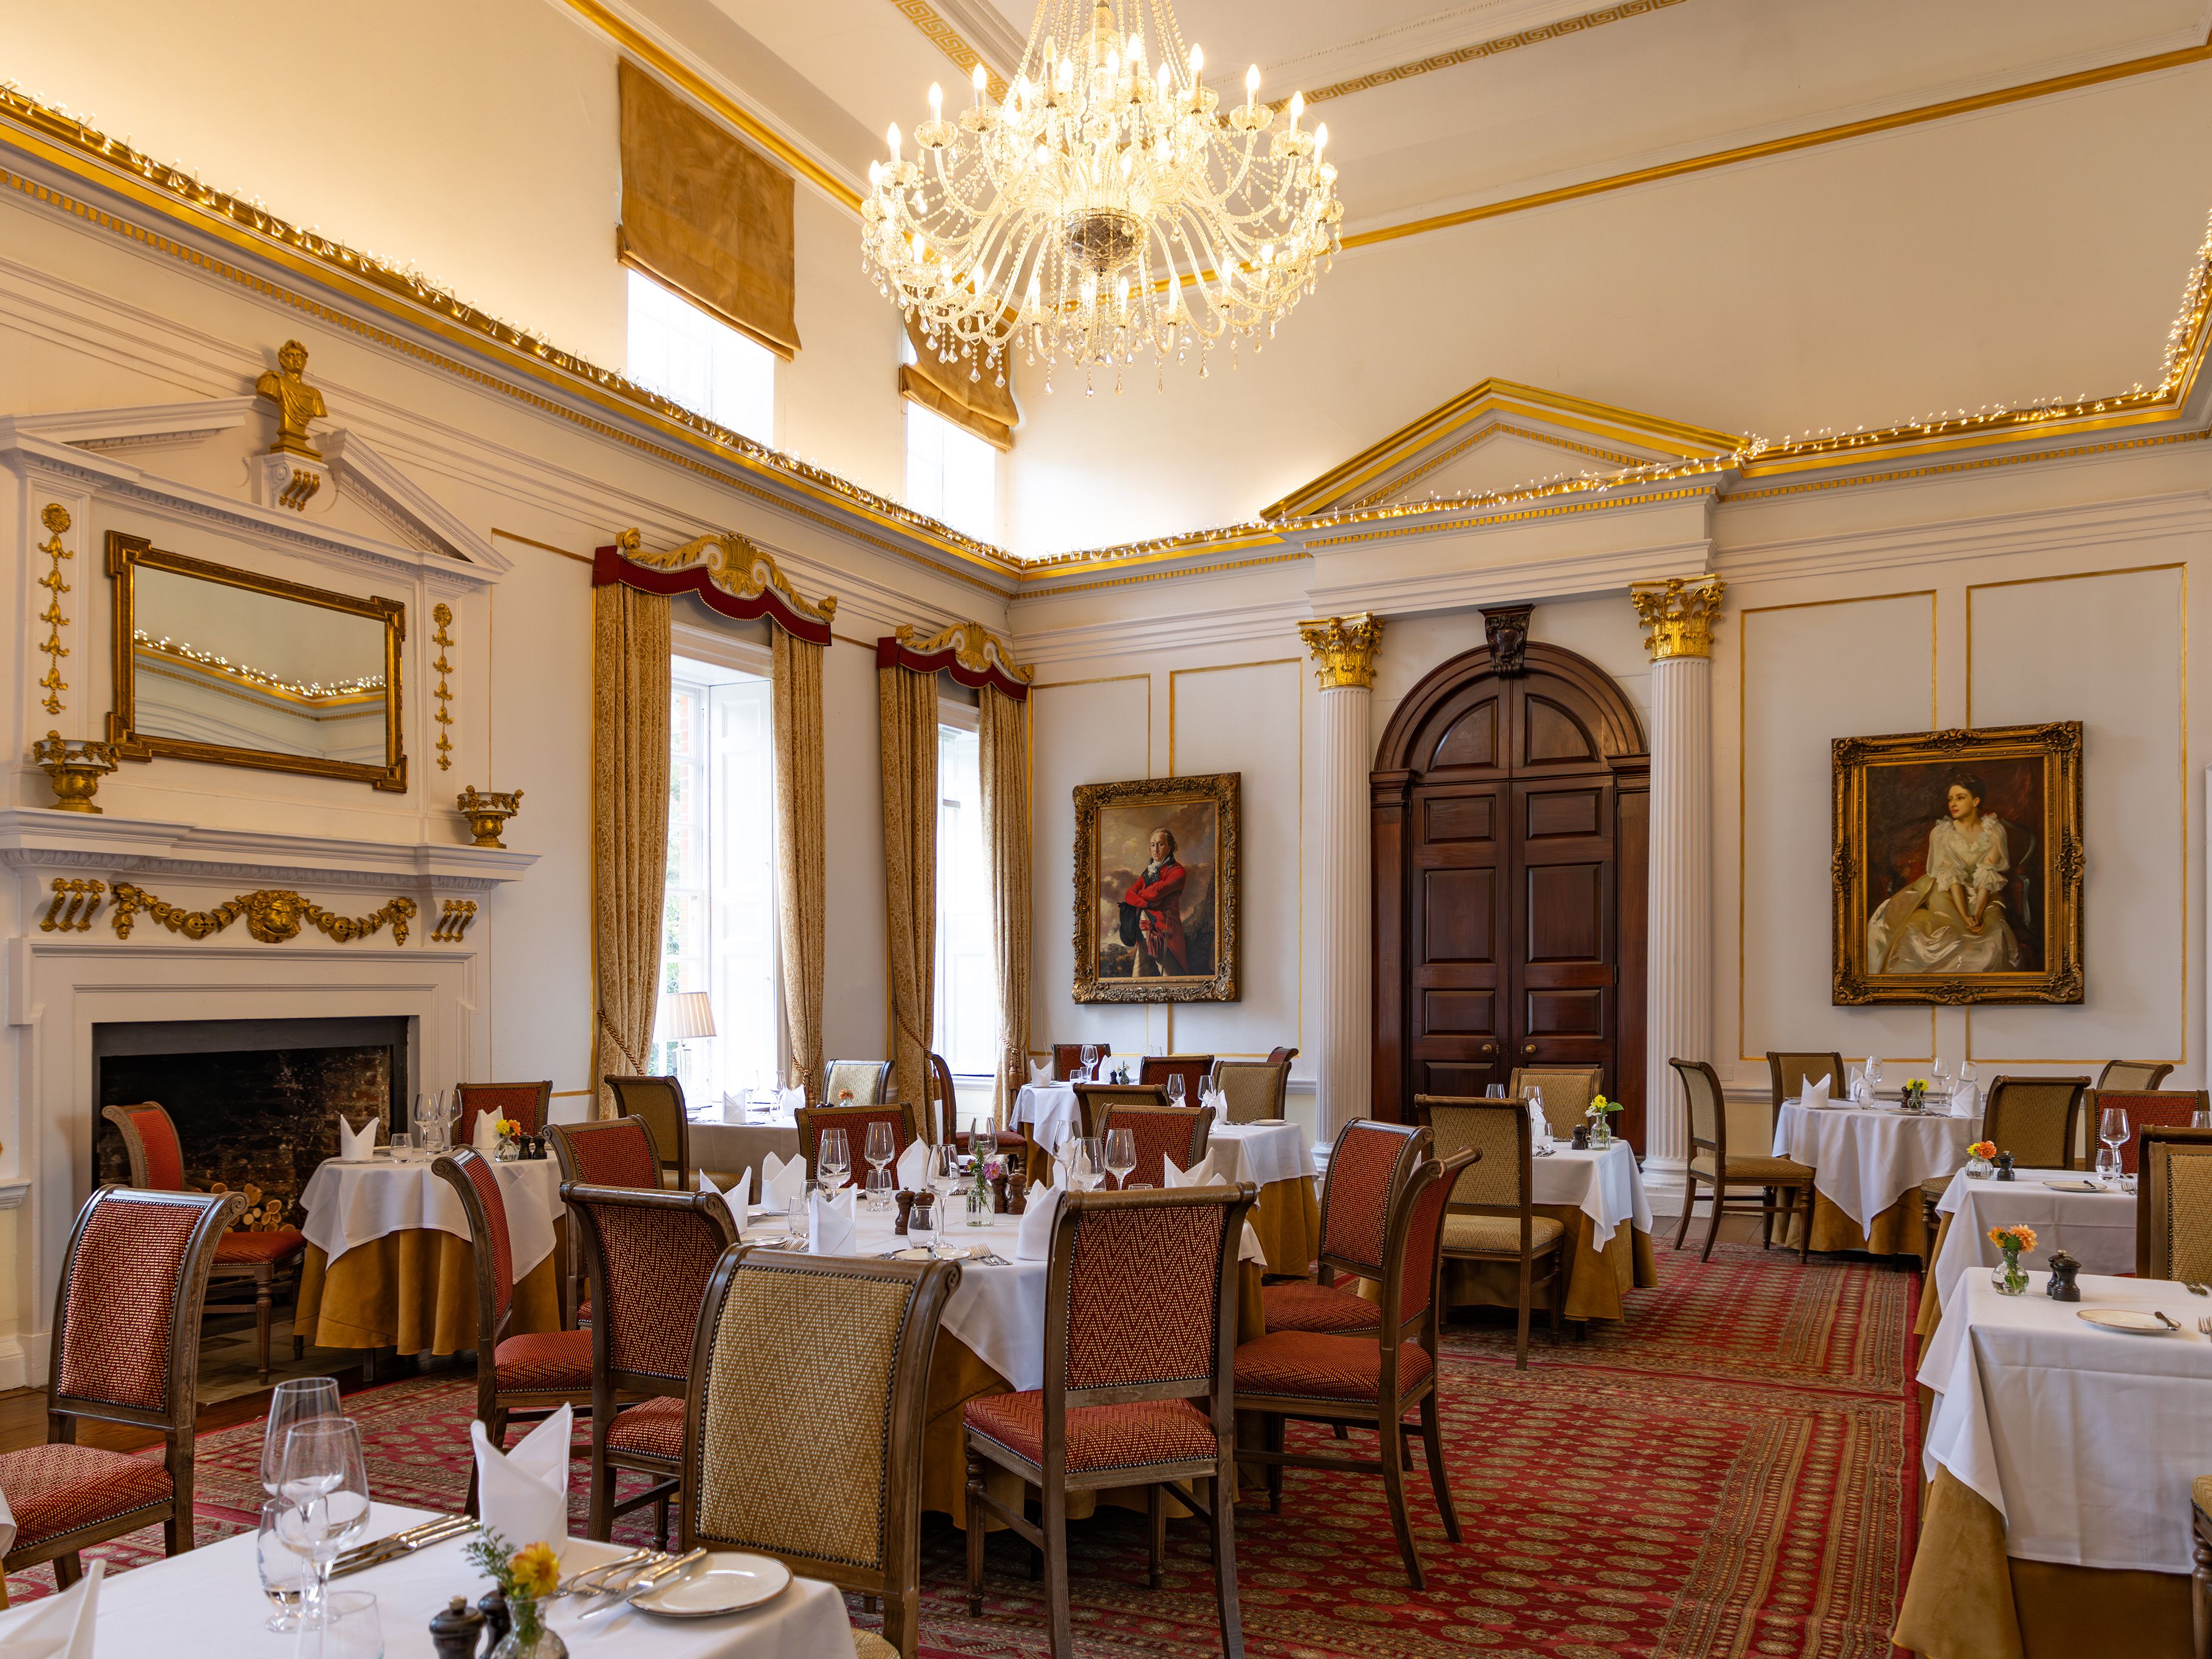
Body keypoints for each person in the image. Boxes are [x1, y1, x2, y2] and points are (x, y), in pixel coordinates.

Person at [1866, 773, 2021, 974]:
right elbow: (1951, 877)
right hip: (1947, 890)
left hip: (1983, 894)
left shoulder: (1994, 831)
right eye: (1950, 799)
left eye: (1960, 797)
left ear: (1975, 801)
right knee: (1937, 934)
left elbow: (1988, 875)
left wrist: (1976, 914)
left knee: (1992, 935)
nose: (1953, 804)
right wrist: (1965, 916)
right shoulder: (1942, 833)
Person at [1121, 827, 1188, 976]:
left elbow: (1156, 892)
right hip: (1143, 928)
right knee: (1139, 974)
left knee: (1170, 975)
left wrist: (1140, 894)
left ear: (1170, 847)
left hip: (1164, 930)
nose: (1155, 849)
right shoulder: (1148, 871)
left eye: (1161, 844)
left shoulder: (1177, 871)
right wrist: (1146, 904)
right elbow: (1128, 895)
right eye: (1152, 845)